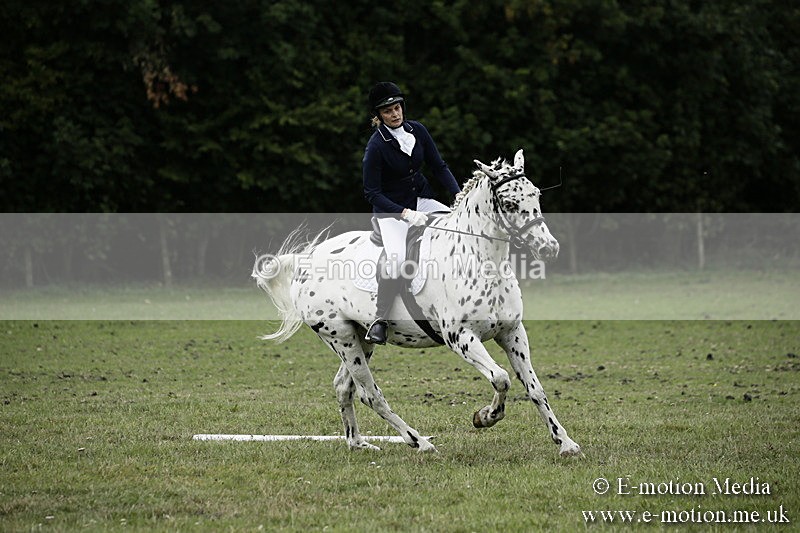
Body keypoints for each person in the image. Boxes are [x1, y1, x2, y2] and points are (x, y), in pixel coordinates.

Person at [362, 81, 461, 344]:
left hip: (421, 200)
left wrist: (458, 194)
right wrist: (404, 213)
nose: (395, 114)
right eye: (388, 111)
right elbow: (372, 193)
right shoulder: (376, 147)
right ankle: (380, 319)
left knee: (457, 227)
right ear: (379, 116)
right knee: (396, 259)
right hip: (391, 212)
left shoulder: (418, 130)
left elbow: (439, 166)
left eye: (397, 108)